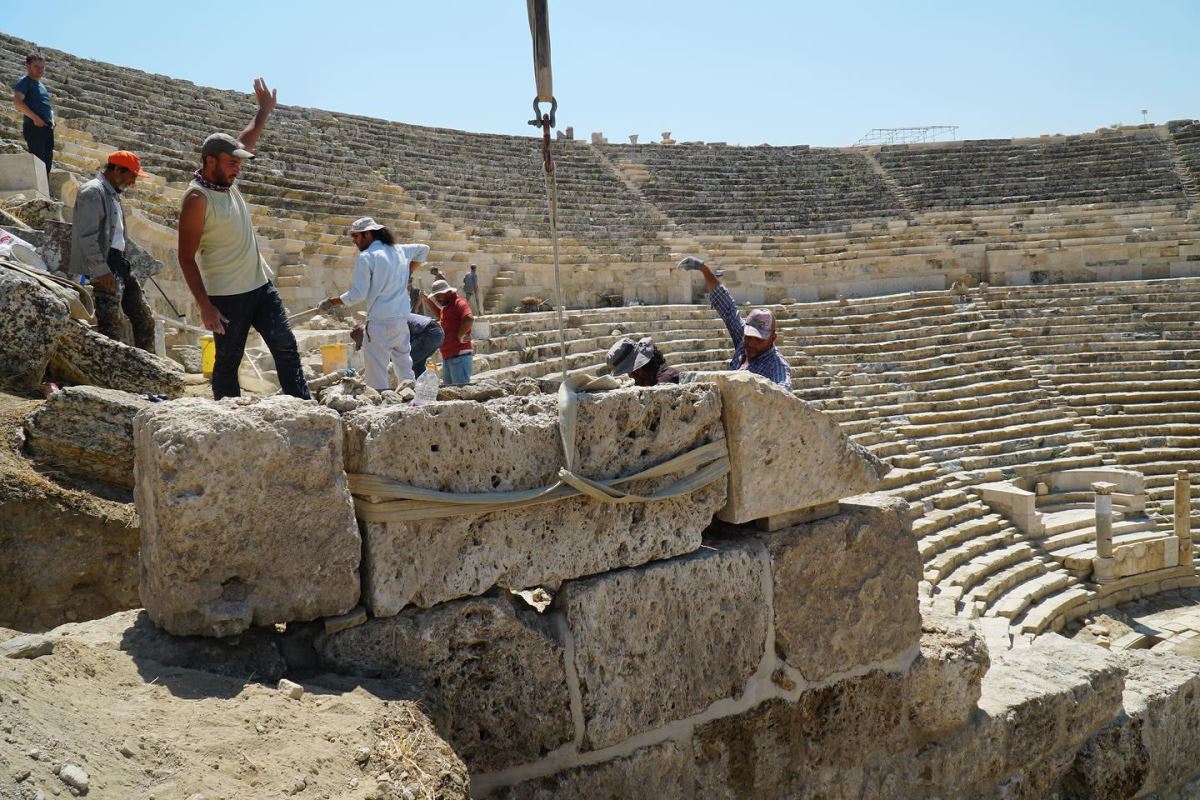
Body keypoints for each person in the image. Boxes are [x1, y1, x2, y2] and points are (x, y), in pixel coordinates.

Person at [177, 78, 310, 401]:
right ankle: (230, 416)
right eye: (232, 163)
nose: (238, 168)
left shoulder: (226, 179)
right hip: (227, 296)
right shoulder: (197, 199)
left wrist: (264, 111)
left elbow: (245, 140)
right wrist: (205, 306)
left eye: (239, 162)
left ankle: (305, 406)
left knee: (285, 345)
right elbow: (185, 256)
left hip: (259, 284)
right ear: (210, 162)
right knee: (228, 362)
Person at [320, 217, 429, 391]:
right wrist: (409, 271)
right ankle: (411, 399)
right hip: (401, 321)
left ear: (368, 234)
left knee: (376, 375)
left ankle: (381, 407)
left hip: (379, 323)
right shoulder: (399, 250)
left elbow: (358, 295)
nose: (354, 241)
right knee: (405, 368)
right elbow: (424, 249)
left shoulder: (367, 257)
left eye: (356, 236)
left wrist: (331, 302)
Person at [69, 151, 155, 352]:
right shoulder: (92, 192)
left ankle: (149, 369)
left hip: (119, 263)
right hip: (104, 265)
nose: (133, 182)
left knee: (144, 318)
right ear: (117, 169)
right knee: (111, 324)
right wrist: (101, 269)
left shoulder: (112, 194)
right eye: (131, 176)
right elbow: (86, 236)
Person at [677, 256, 792, 388]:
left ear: (773, 338)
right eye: (749, 337)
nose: (751, 343)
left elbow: (784, 388)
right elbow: (727, 307)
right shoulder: (743, 340)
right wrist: (704, 269)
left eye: (759, 339)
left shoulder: (776, 365)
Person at [421, 279, 473, 386]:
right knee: (450, 392)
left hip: (458, 356)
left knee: (459, 392)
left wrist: (460, 335)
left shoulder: (459, 303)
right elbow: (440, 314)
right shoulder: (447, 307)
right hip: (448, 356)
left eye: (438, 296)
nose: (436, 299)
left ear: (448, 292)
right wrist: (427, 301)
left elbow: (469, 319)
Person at [11, 52, 54, 179]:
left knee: (47, 163)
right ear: (27, 66)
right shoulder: (25, 82)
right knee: (38, 162)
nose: (40, 70)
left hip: (47, 129)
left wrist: (52, 120)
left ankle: (43, 192)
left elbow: (47, 107)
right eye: (37, 66)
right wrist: (35, 119)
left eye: (42, 67)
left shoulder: (41, 85)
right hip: (34, 127)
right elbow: (18, 102)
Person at [606, 336, 679, 386]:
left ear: (639, 369)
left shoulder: (666, 378)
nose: (629, 377)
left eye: (630, 373)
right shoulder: (648, 380)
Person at [408, 312, 444, 378]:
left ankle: (412, 384)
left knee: (408, 361)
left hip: (430, 332)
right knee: (418, 362)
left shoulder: (398, 320)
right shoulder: (401, 316)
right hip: (438, 332)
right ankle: (422, 384)